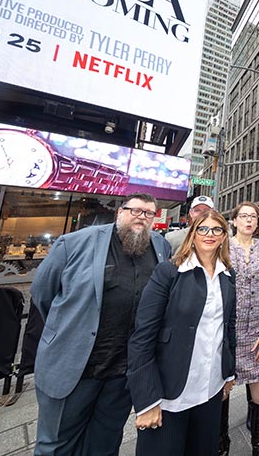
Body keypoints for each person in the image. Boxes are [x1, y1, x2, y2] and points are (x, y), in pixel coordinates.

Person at [30, 193, 171, 455]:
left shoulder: (161, 247)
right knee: (56, 445)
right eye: (135, 211)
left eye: (149, 213)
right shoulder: (74, 243)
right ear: (120, 212)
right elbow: (43, 294)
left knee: (105, 445)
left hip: (122, 373)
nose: (141, 217)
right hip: (75, 368)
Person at [127, 212, 237, 455]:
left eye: (217, 230)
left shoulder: (228, 275)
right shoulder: (169, 272)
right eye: (203, 229)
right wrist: (147, 400)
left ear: (224, 237)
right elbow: (143, 335)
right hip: (169, 393)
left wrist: (229, 373)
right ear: (193, 234)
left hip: (210, 389)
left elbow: (228, 327)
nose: (210, 235)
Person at [228, 202, 259, 456]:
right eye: (243, 216)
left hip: (256, 333)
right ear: (234, 220)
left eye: (253, 217)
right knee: (221, 394)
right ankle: (221, 445)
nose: (249, 220)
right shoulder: (223, 245)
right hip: (226, 334)